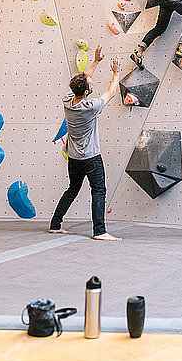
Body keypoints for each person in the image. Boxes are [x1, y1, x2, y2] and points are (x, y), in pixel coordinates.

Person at [49, 45, 122, 241]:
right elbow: (111, 92)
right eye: (90, 83)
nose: (91, 81)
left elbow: (81, 79)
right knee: (98, 190)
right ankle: (100, 231)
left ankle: (55, 225)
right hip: (90, 157)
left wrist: (96, 61)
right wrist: (115, 73)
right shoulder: (91, 106)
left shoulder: (68, 101)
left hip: (74, 157)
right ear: (87, 91)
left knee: (72, 189)